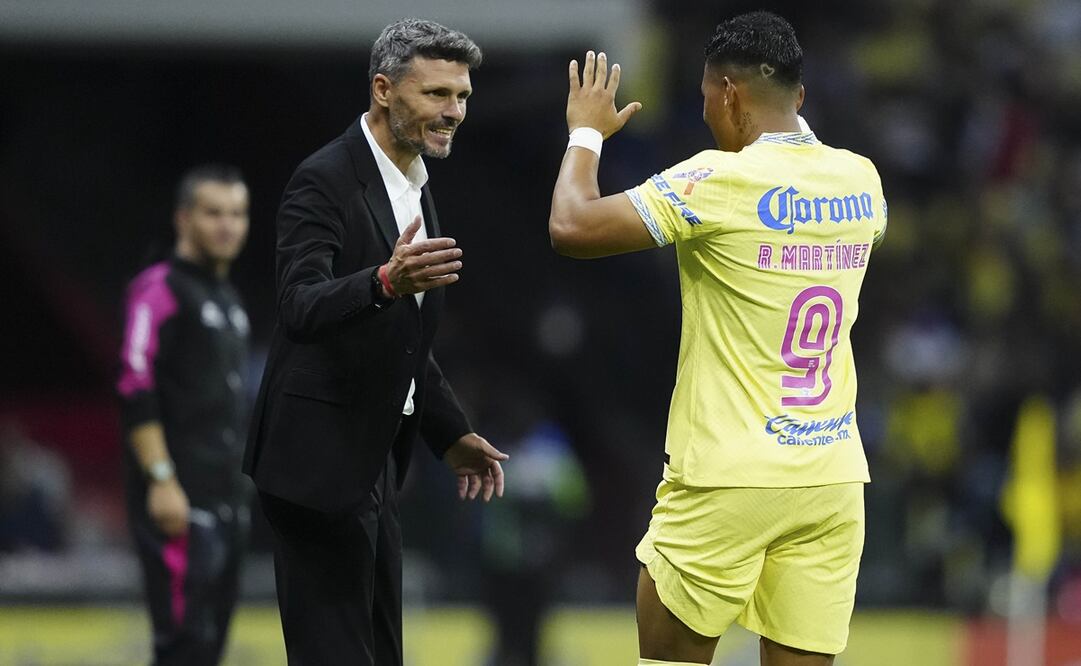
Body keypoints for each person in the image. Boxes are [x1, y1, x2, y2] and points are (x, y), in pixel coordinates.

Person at [547, 11, 887, 666]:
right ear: (800, 97)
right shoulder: (861, 183)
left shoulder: (716, 181)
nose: (703, 115)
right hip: (829, 476)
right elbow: (809, 175)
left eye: (705, 98)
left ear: (728, 93)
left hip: (728, 476)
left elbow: (571, 225)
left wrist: (585, 132)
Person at [242, 18, 508, 666]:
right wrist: (385, 280)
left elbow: (407, 340)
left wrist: (449, 434)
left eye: (462, 96)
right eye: (437, 95)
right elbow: (299, 306)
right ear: (384, 89)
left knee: (379, 654)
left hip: (370, 468)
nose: (454, 112)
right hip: (314, 470)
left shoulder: (413, 183)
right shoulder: (324, 180)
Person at [117, 164, 252, 665]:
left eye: (237, 214)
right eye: (213, 213)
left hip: (227, 501)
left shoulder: (229, 300)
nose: (227, 225)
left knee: (210, 646)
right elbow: (135, 385)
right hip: (180, 499)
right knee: (183, 646)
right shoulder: (160, 288)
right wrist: (160, 479)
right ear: (183, 218)